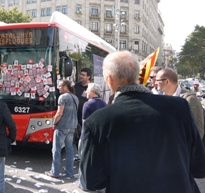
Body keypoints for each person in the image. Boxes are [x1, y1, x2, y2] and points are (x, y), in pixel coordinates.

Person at [80, 51, 205, 192]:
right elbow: (199, 167)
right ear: (136, 75)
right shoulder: (179, 106)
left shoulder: (97, 122)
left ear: (109, 80)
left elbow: (91, 181)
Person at [156, 68, 204, 139]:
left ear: (167, 82)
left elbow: (196, 131)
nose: (155, 83)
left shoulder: (189, 99)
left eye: (157, 80)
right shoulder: (162, 99)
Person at [45, 79, 78, 178]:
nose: (58, 88)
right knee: (70, 149)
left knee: (56, 150)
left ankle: (55, 172)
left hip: (62, 126)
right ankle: (70, 172)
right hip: (72, 126)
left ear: (65, 86)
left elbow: (59, 113)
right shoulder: (75, 97)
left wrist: (54, 123)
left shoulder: (62, 97)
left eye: (60, 86)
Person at [78, 83, 106, 190]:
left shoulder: (88, 104)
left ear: (93, 92)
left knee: (83, 160)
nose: (86, 92)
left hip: (87, 138)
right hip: (100, 137)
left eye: (88, 90)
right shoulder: (104, 103)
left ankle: (83, 184)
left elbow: (85, 123)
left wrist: (83, 138)